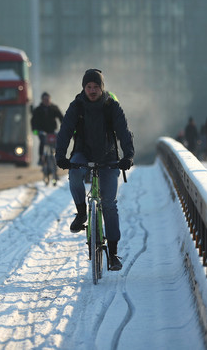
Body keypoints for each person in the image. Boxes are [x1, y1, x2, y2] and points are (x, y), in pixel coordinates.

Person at [55, 69, 134, 271]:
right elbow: (64, 131)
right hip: (82, 152)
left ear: (102, 87)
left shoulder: (111, 106)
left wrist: (128, 155)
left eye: (96, 87)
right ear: (83, 88)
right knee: (74, 175)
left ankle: (113, 253)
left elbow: (124, 132)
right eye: (88, 87)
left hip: (108, 157)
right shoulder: (77, 106)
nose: (92, 90)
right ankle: (82, 213)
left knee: (109, 204)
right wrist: (60, 156)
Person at [31, 92, 64, 164]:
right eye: (45, 99)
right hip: (42, 131)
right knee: (42, 142)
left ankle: (59, 158)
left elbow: (61, 118)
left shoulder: (54, 108)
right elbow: (34, 121)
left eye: (48, 99)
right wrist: (35, 130)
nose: (47, 101)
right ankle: (41, 158)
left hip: (52, 131)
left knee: (57, 144)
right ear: (42, 100)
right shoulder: (37, 110)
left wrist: (65, 127)